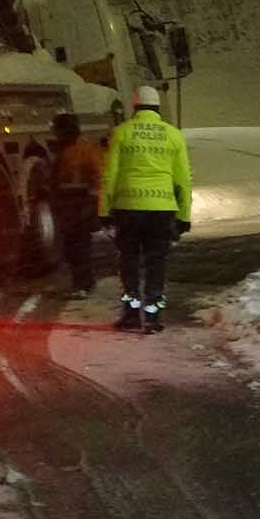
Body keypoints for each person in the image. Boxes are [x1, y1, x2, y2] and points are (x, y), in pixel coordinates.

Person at [100, 85, 192, 333]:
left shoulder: (121, 133)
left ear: (135, 106)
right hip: (161, 210)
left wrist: (104, 210)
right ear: (157, 107)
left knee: (128, 260)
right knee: (156, 262)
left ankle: (131, 313)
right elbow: (183, 178)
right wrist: (184, 215)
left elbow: (110, 175)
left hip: (128, 208)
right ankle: (153, 316)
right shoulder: (173, 135)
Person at [49, 112, 104, 298]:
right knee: (72, 247)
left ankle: (84, 284)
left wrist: (92, 203)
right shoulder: (65, 150)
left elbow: (98, 177)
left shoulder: (84, 149)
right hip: (69, 205)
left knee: (80, 247)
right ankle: (81, 282)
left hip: (80, 205)